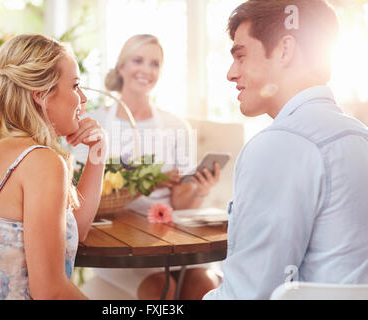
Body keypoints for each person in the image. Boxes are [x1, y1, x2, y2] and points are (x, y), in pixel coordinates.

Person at [203, 0, 368, 300]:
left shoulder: (279, 145)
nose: (231, 73)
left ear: (284, 50)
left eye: (240, 55)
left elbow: (247, 295)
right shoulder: (360, 136)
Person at [0, 34, 107, 300]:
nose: (82, 98)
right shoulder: (41, 162)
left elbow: (74, 231)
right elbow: (51, 292)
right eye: (75, 86)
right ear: (42, 95)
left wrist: (98, 154)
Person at [72, 34, 221, 300]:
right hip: (122, 245)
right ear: (121, 67)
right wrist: (145, 184)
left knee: (205, 287)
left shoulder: (176, 126)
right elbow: (81, 195)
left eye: (154, 63)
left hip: (171, 239)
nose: (146, 70)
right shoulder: (93, 123)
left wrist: (199, 189)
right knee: (162, 290)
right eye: (138, 60)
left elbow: (181, 203)